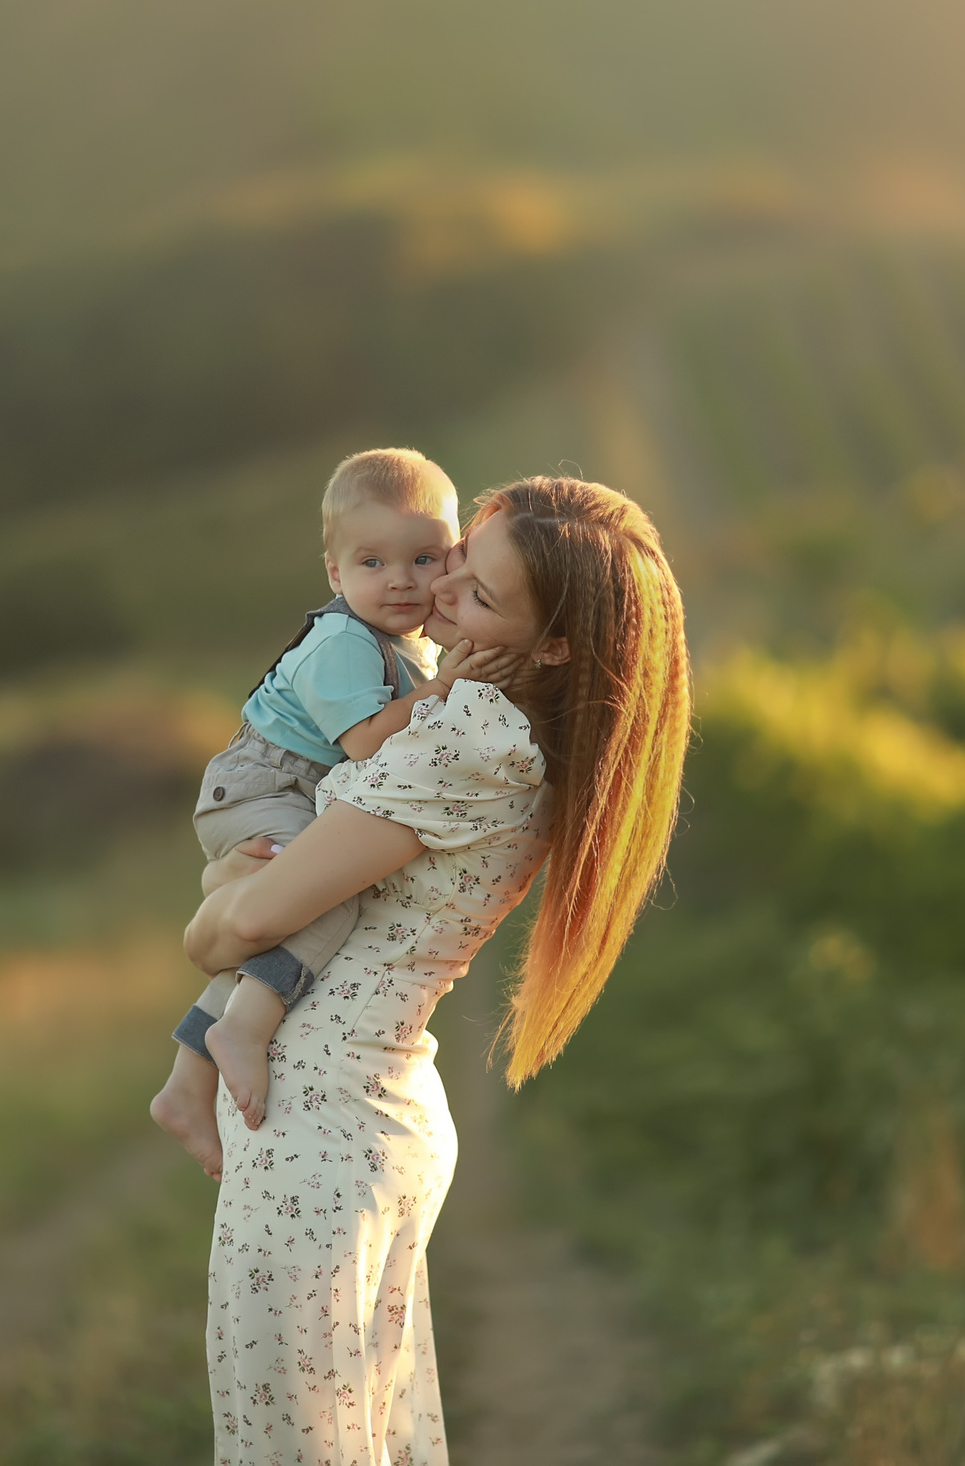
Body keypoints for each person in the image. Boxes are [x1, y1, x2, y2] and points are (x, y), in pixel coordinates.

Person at [182, 476, 691, 1465]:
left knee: (295, 1445)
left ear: (553, 646)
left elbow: (247, 921)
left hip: (320, 1117)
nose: (437, 591)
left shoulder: (471, 737)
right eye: (458, 559)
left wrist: (206, 922)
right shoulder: (501, 727)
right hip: (365, 1109)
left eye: (478, 593)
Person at [152, 447, 516, 1180]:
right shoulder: (344, 642)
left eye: (423, 559)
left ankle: (186, 1082)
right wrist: (441, 689)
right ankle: (241, 1031)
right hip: (263, 791)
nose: (401, 580)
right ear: (334, 574)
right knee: (326, 902)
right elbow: (367, 742)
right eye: (373, 563)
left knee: (296, 911)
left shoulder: (403, 644)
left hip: (290, 792)